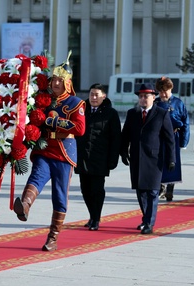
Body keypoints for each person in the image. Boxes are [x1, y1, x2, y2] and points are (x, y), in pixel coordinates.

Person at [13, 53, 86, 251]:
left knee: (59, 195)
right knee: (36, 176)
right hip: (45, 149)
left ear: (67, 82)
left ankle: (53, 236)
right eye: (53, 79)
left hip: (64, 152)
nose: (55, 83)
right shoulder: (42, 99)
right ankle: (25, 205)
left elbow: (80, 129)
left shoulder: (76, 103)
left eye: (59, 80)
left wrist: (54, 122)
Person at [120, 83, 175, 234]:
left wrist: (171, 159)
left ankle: (149, 223)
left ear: (153, 97)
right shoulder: (132, 113)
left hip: (154, 160)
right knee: (140, 191)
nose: (143, 99)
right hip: (137, 158)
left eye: (146, 96)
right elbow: (125, 136)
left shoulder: (162, 114)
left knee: (152, 192)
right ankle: (145, 219)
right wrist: (124, 152)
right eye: (141, 96)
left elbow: (170, 139)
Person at [75, 83, 121, 231]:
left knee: (97, 190)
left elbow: (116, 139)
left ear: (103, 96)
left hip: (100, 158)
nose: (93, 98)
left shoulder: (111, 114)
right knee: (85, 190)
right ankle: (92, 215)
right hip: (83, 157)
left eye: (96, 95)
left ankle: (96, 218)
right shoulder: (82, 110)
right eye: (91, 94)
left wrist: (113, 160)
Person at [154, 77, 190, 201]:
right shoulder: (156, 103)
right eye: (161, 91)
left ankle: (170, 189)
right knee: (158, 162)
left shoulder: (178, 103)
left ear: (171, 89)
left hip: (174, 136)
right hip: (158, 137)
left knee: (172, 161)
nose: (163, 94)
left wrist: (184, 141)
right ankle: (160, 188)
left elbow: (185, 122)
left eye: (166, 91)